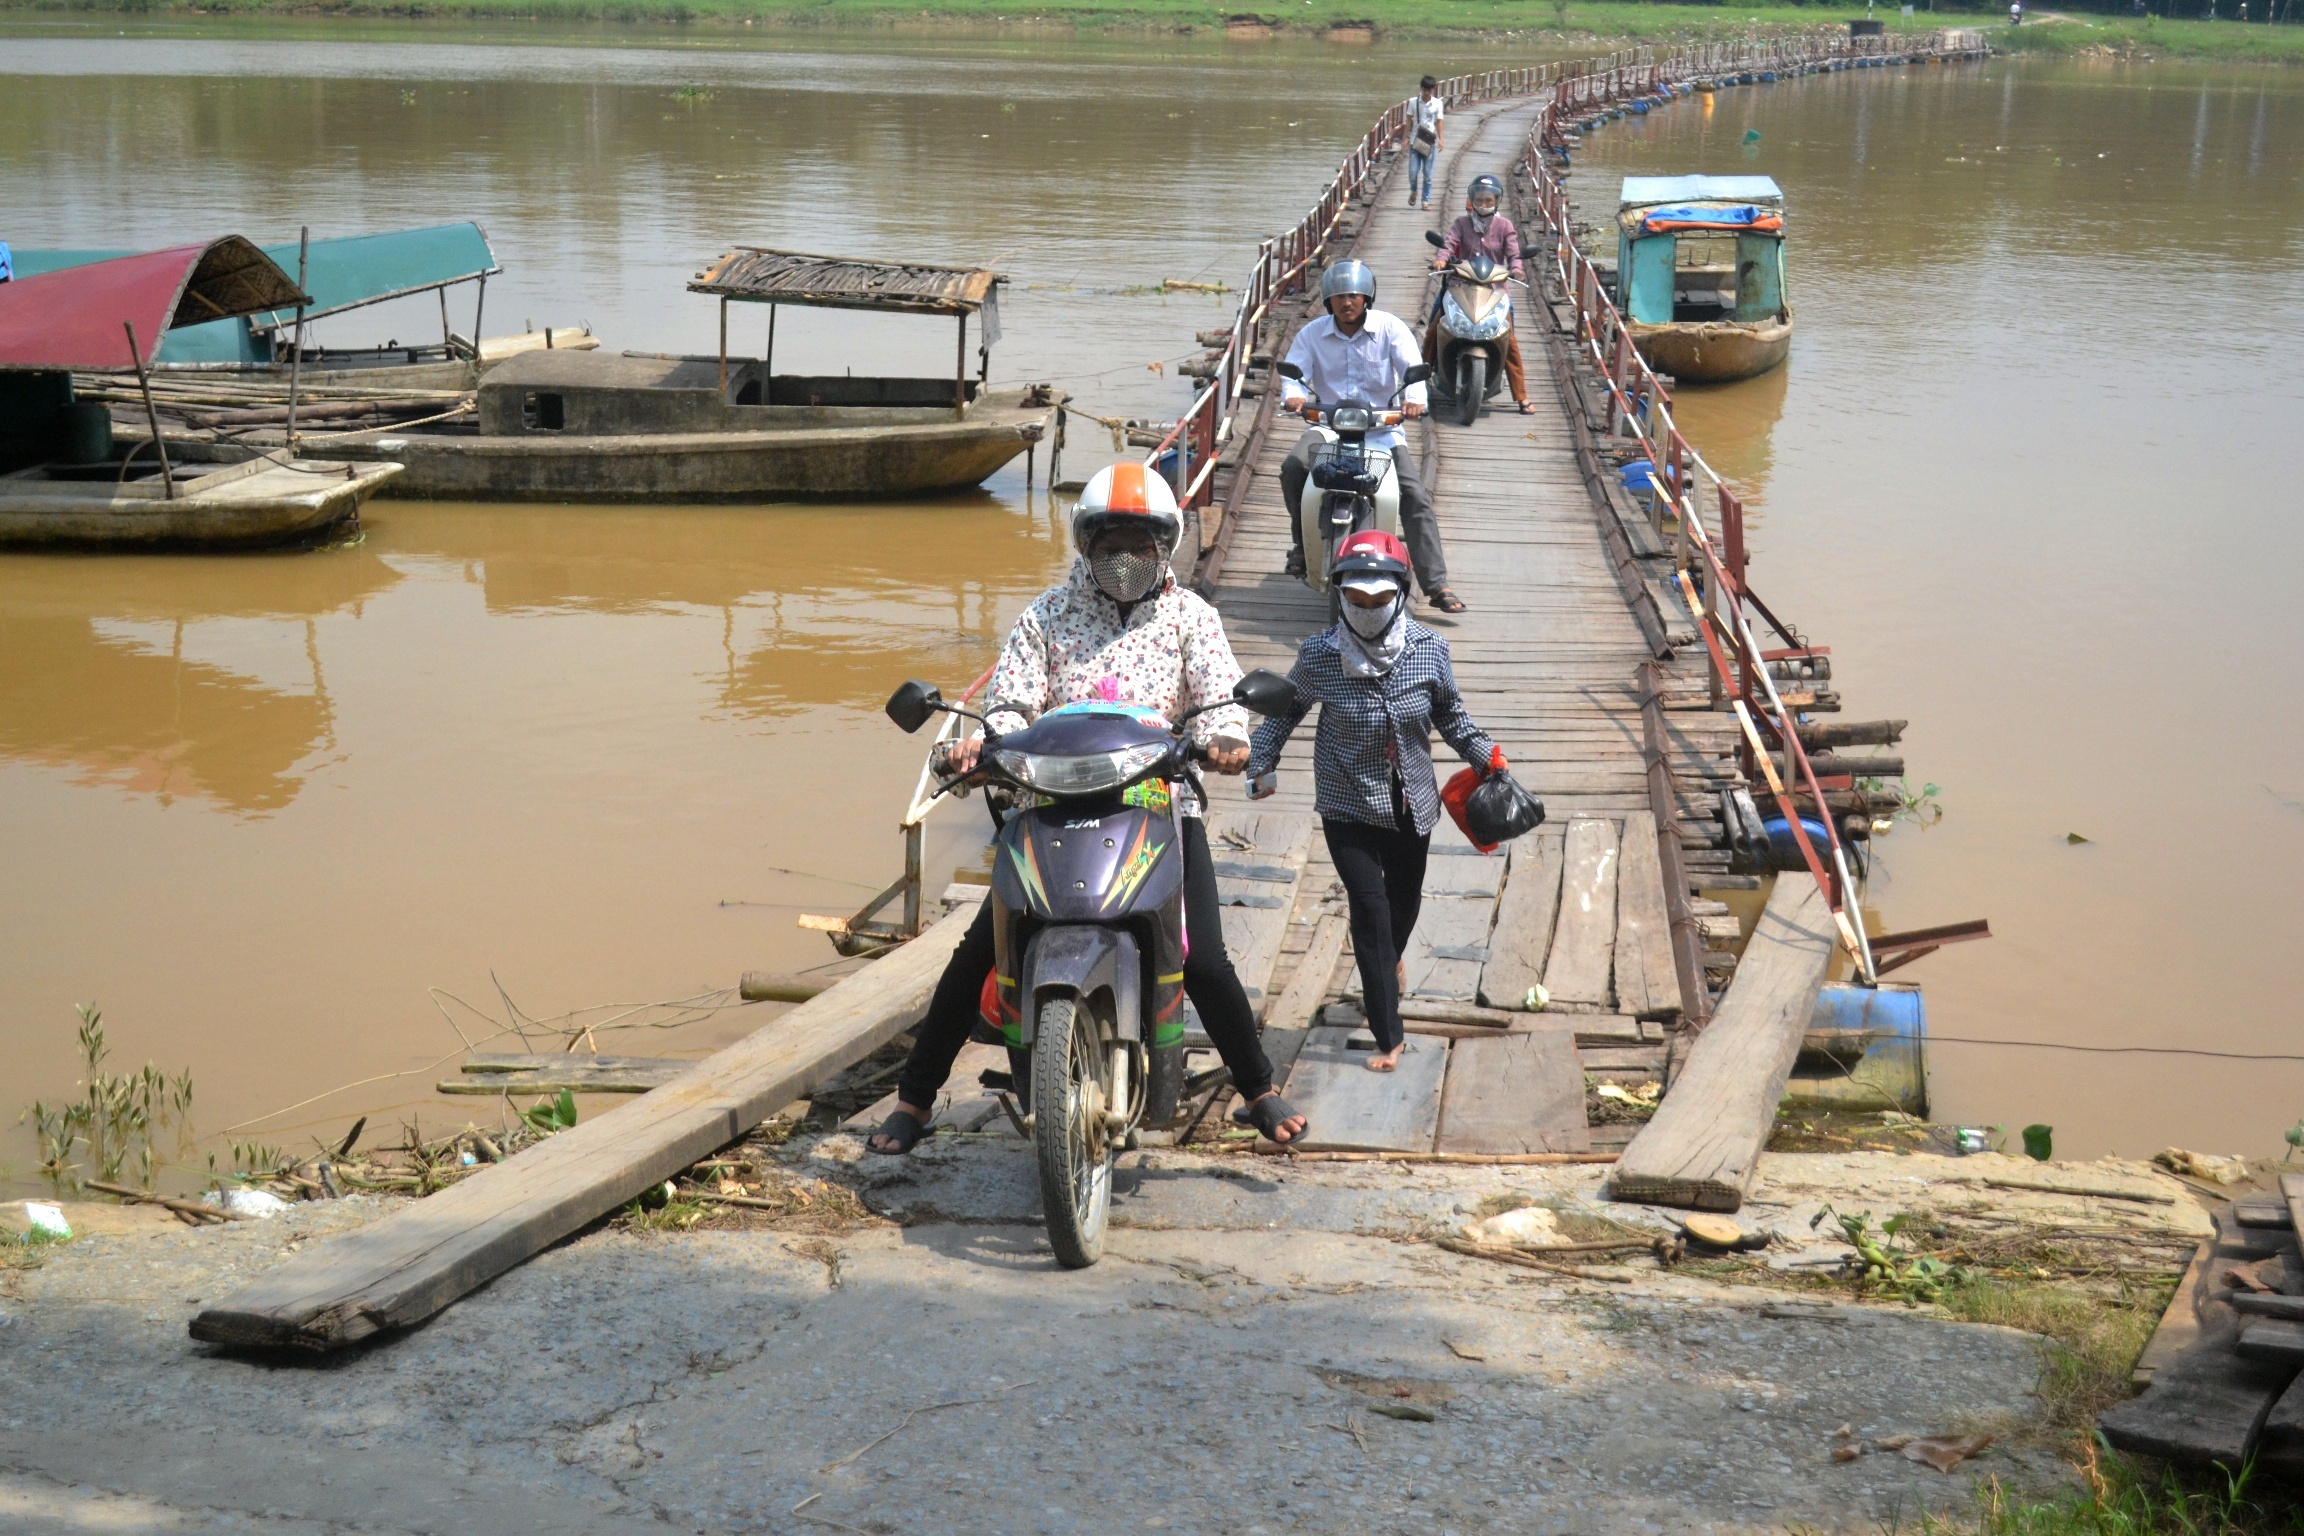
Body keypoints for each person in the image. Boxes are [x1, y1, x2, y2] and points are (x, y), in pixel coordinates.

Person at [867, 463, 1308, 1154]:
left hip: (1158, 804)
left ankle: (1257, 1086)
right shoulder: (1046, 615)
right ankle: (916, 1101)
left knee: (1207, 960)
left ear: (1167, 544)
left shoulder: (1191, 617)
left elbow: (1224, 697)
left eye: (1141, 543)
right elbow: (1009, 704)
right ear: (1085, 545)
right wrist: (977, 746)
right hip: (1049, 804)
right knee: (977, 951)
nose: (1125, 559)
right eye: (1109, 544)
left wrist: (1226, 742)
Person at [1246, 531, 1500, 1071]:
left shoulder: (1430, 649)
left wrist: (1485, 757)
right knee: (1371, 911)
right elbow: (1284, 713)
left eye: (1378, 600)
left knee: (1403, 904)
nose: (1365, 611)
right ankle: (1390, 1034)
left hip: (1412, 802)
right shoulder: (1319, 654)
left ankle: (1387, 965)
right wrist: (1260, 762)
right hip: (1346, 803)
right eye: (1355, 601)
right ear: (1339, 596)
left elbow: (1451, 716)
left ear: (1400, 595)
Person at [1277, 259, 1467, 615]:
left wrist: (1413, 401)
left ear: (1367, 297)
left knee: (1414, 495)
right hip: (1329, 428)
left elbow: (1412, 373)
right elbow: (1294, 373)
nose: (1346, 302)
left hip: (1382, 430)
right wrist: (1294, 395)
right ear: (1327, 301)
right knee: (1292, 468)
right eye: (1338, 297)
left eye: (1353, 295)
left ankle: (1436, 582)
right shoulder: (1312, 334)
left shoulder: (1391, 329)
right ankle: (1302, 546)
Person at [1427, 172, 1535, 416]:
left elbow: (1514, 252)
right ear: (1471, 200)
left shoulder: (1505, 226)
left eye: (1489, 200)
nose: (1484, 204)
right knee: (1434, 329)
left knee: (1510, 338)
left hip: (1495, 291)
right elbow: (1448, 244)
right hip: (1459, 287)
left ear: (1496, 201)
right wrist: (1441, 260)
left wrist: (1517, 269)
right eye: (1480, 200)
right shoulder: (1461, 223)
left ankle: (1521, 396)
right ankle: (1419, 386)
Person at [1404, 76, 1443, 210]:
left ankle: (1425, 201)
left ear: (1433, 89)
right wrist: (1405, 137)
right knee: (1413, 173)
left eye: (1429, 90)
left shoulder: (1438, 104)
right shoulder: (1413, 102)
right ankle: (1413, 190)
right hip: (1415, 141)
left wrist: (1441, 139)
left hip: (1429, 142)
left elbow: (1439, 122)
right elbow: (1408, 120)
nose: (1426, 92)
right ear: (1421, 89)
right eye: (1424, 89)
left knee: (1428, 174)